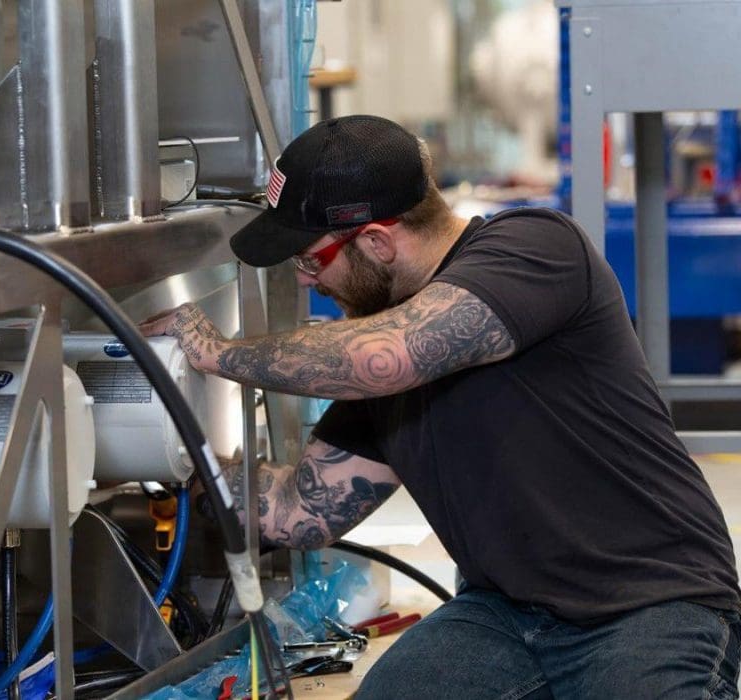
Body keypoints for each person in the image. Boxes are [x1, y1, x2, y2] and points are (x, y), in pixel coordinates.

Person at [140, 115, 741, 699]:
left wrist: (217, 353)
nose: (305, 281)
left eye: (309, 259)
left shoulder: (535, 248)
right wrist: (167, 444)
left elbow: (392, 353)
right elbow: (300, 512)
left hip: (650, 602)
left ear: (376, 241)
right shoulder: (383, 342)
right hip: (504, 615)